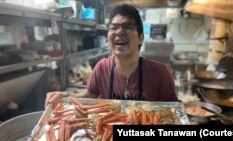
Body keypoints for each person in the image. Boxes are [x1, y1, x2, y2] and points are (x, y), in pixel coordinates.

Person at [45, 4, 178, 108]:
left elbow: (172, 114)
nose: (119, 31)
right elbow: (88, 96)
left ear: (140, 38)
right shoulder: (102, 67)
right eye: (113, 27)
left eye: (128, 26)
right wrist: (64, 96)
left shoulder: (160, 74)